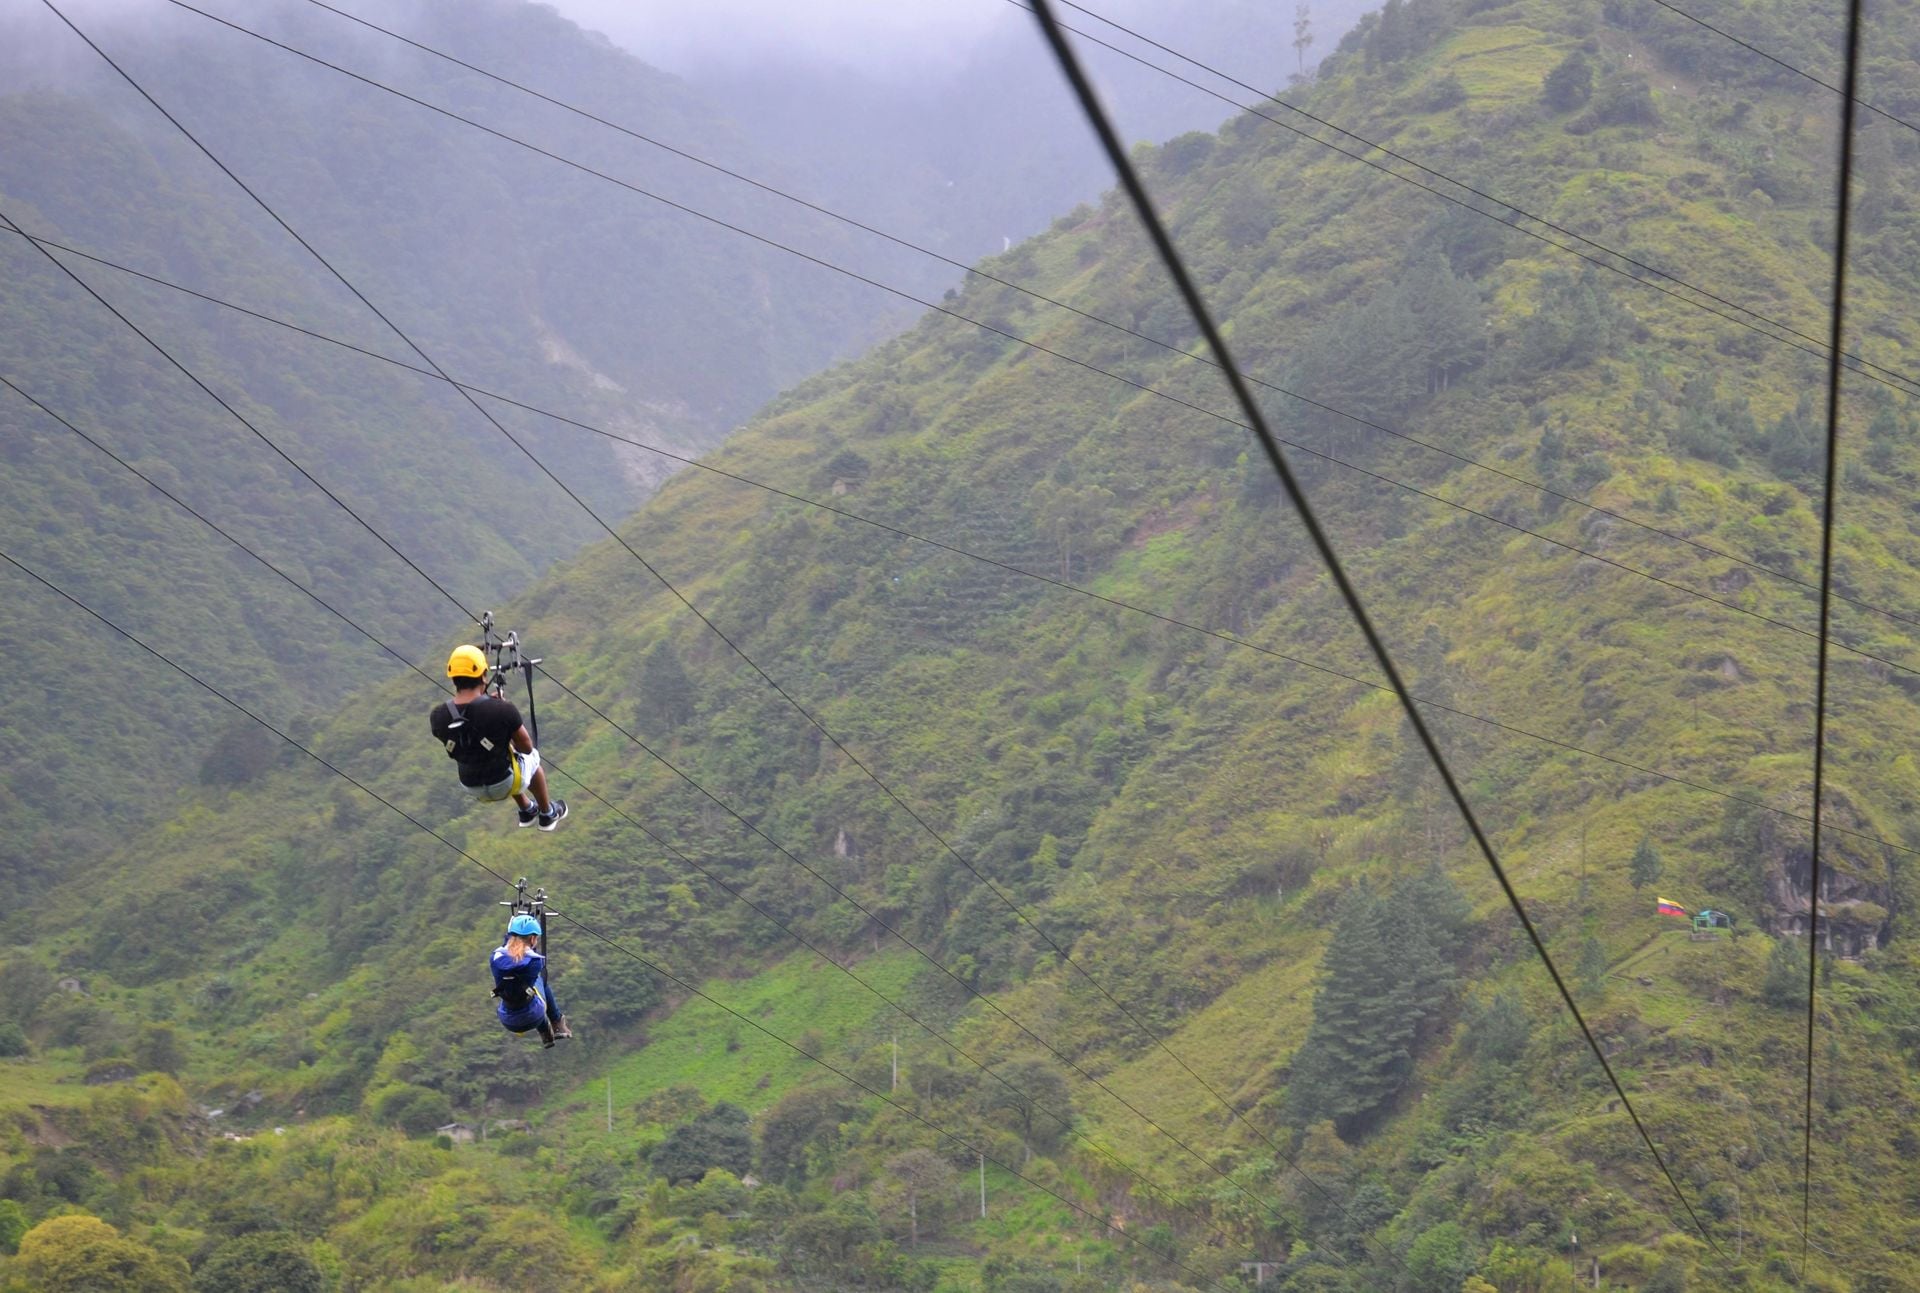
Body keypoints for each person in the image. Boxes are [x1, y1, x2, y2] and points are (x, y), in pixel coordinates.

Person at [430, 645, 567, 830]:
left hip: (470, 785)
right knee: (531, 758)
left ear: (453, 678)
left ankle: (526, 809)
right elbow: (526, 747)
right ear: (483, 675)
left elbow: (467, 741)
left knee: (499, 754)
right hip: (503, 782)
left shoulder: (438, 716)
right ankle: (547, 814)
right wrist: (502, 718)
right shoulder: (502, 709)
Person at [491, 913, 572, 1046]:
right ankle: (556, 1023)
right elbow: (527, 956)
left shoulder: (495, 958)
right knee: (540, 982)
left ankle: (547, 1030)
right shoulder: (534, 962)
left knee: (516, 994)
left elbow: (509, 951)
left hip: (507, 1020)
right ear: (533, 938)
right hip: (533, 1017)